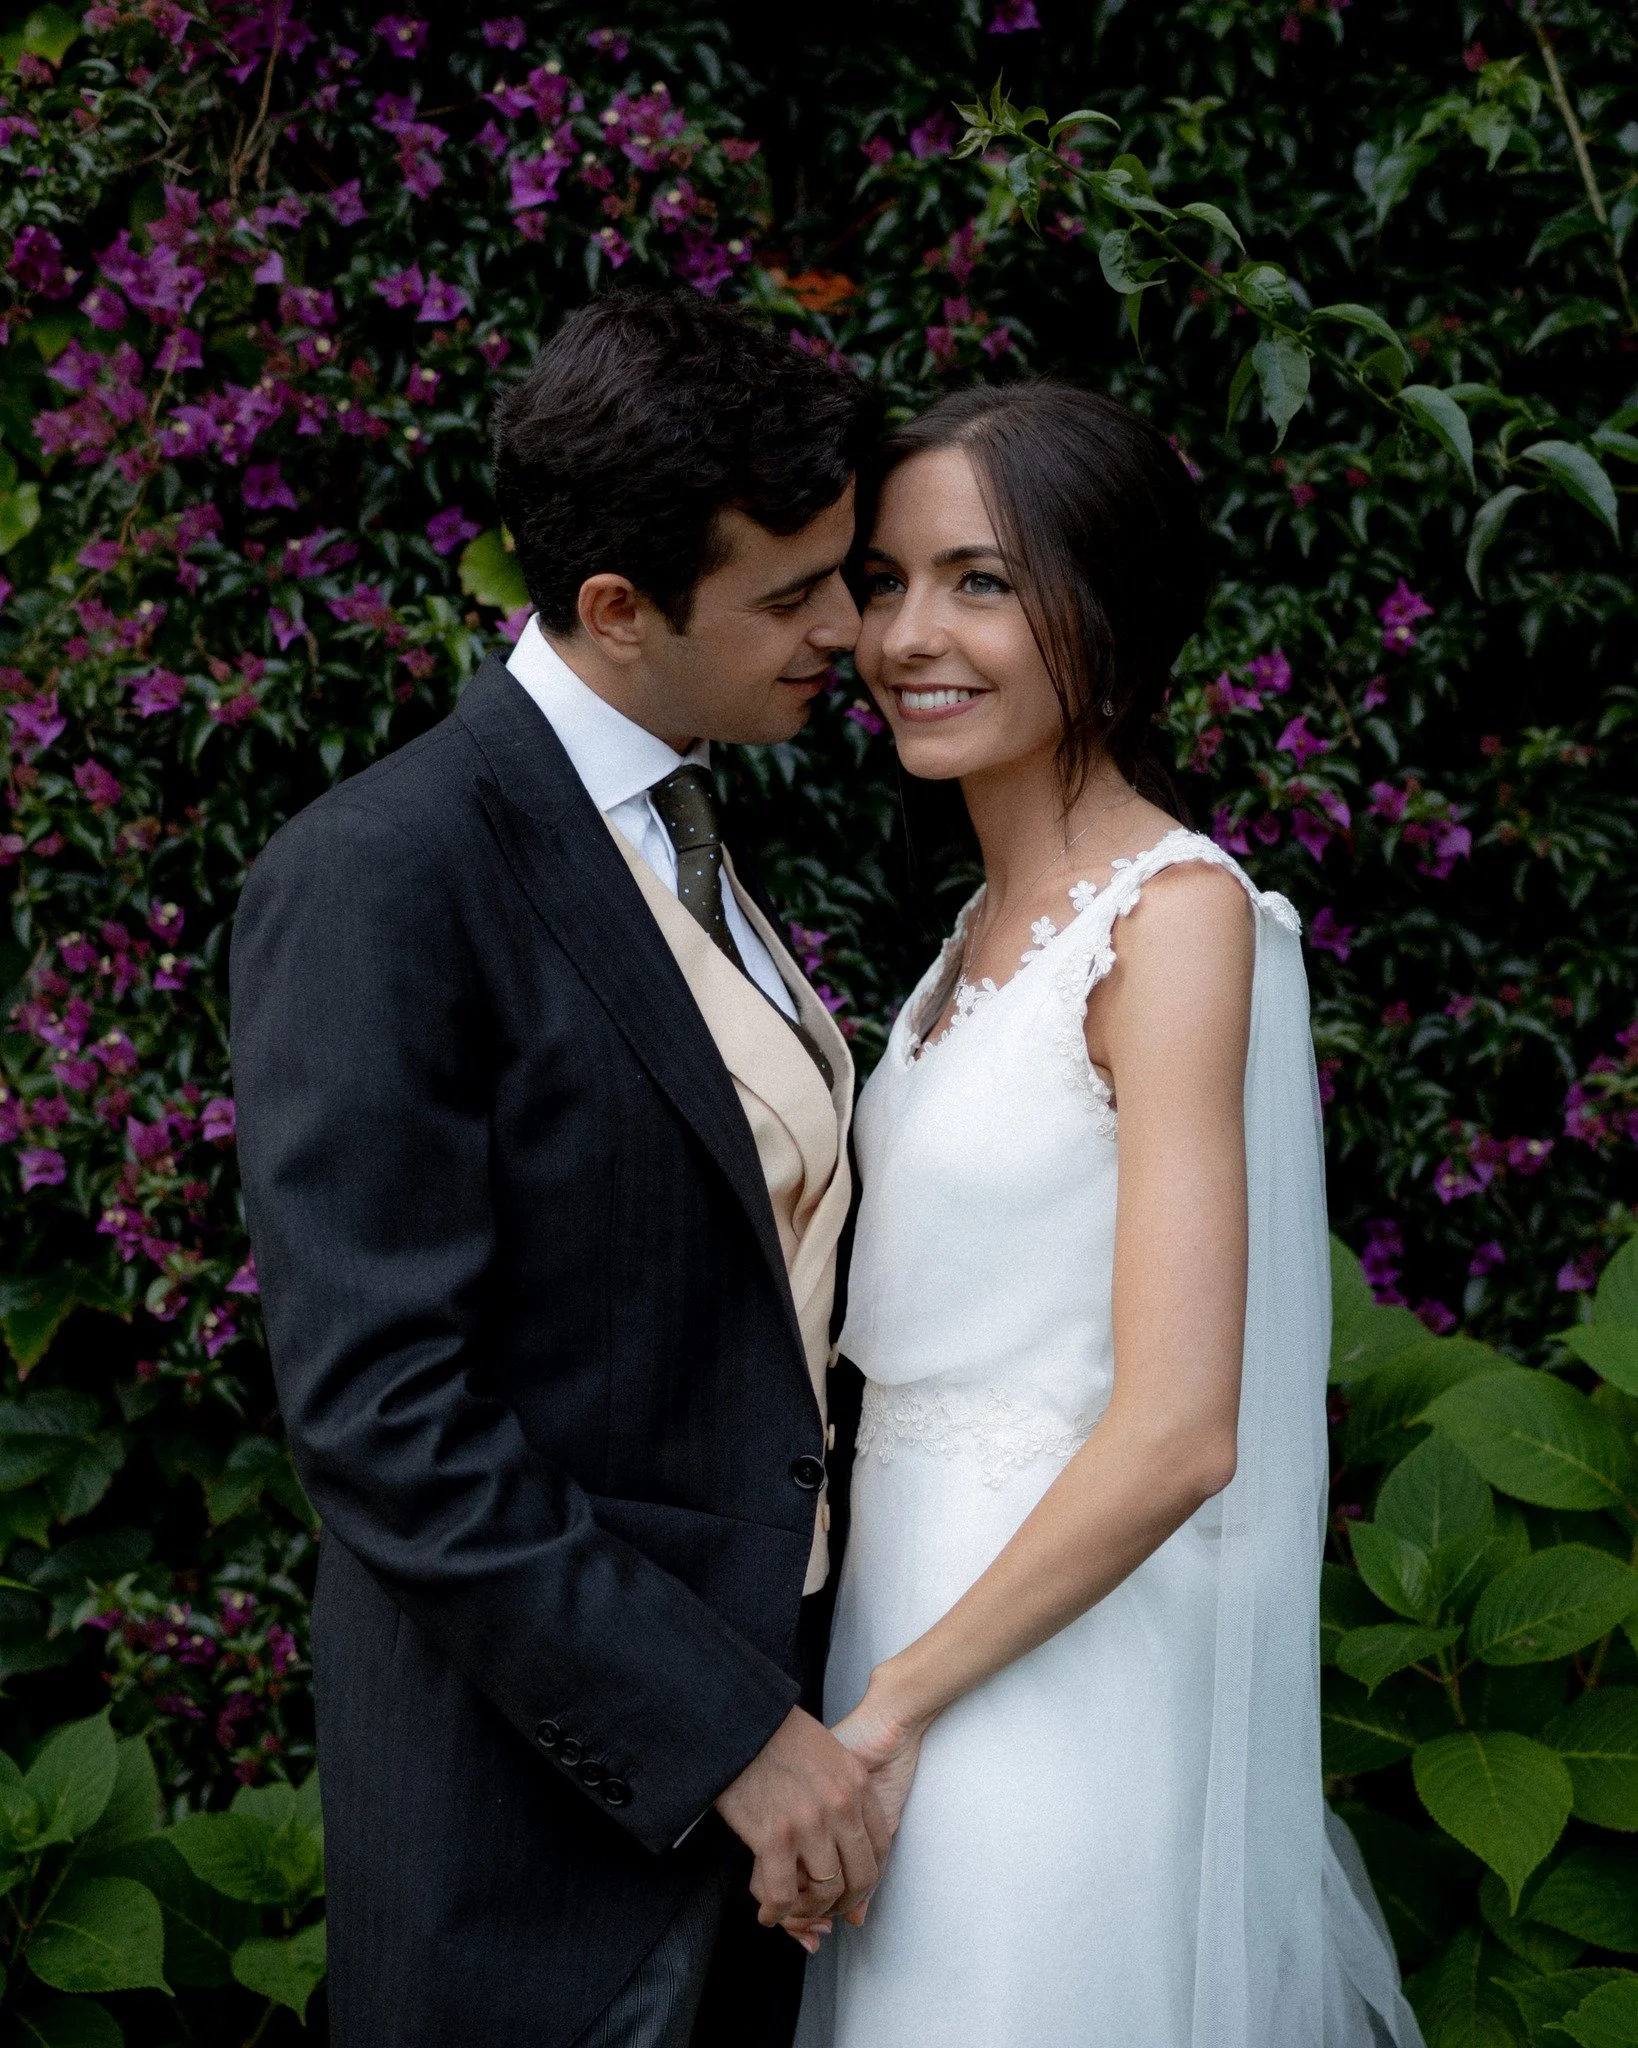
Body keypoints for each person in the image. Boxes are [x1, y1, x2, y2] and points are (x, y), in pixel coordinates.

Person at [231, 289, 890, 2048]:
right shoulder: (384, 869)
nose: (848, 624)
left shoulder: (683, 815)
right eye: (791, 593)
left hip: (780, 1773)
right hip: (525, 1815)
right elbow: (384, 1415)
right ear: (614, 611)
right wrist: (725, 1735)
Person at [793, 383, 1424, 2048]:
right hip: (900, 1638)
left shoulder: (1181, 919)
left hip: (1040, 1689)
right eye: (883, 577)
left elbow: (1175, 1434)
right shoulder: (966, 941)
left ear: (1114, 623)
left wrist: (890, 1712)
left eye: (980, 580)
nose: (908, 632)